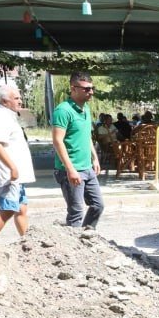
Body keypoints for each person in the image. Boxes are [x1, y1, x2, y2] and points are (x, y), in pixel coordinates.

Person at [51, 72, 103, 231]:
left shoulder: (86, 108)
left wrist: (94, 158)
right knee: (76, 211)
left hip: (87, 167)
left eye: (92, 88)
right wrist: (70, 169)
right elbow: (57, 141)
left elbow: (86, 136)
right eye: (87, 89)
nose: (91, 92)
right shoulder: (63, 110)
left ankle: (86, 236)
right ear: (73, 88)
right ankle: (73, 246)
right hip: (71, 170)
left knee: (98, 205)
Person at [0, 85, 35, 240]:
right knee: (8, 210)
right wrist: (12, 167)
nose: (20, 101)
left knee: (21, 209)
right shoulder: (0, 117)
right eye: (16, 98)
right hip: (9, 175)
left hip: (15, 176)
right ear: (5, 100)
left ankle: (27, 243)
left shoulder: (6, 115)